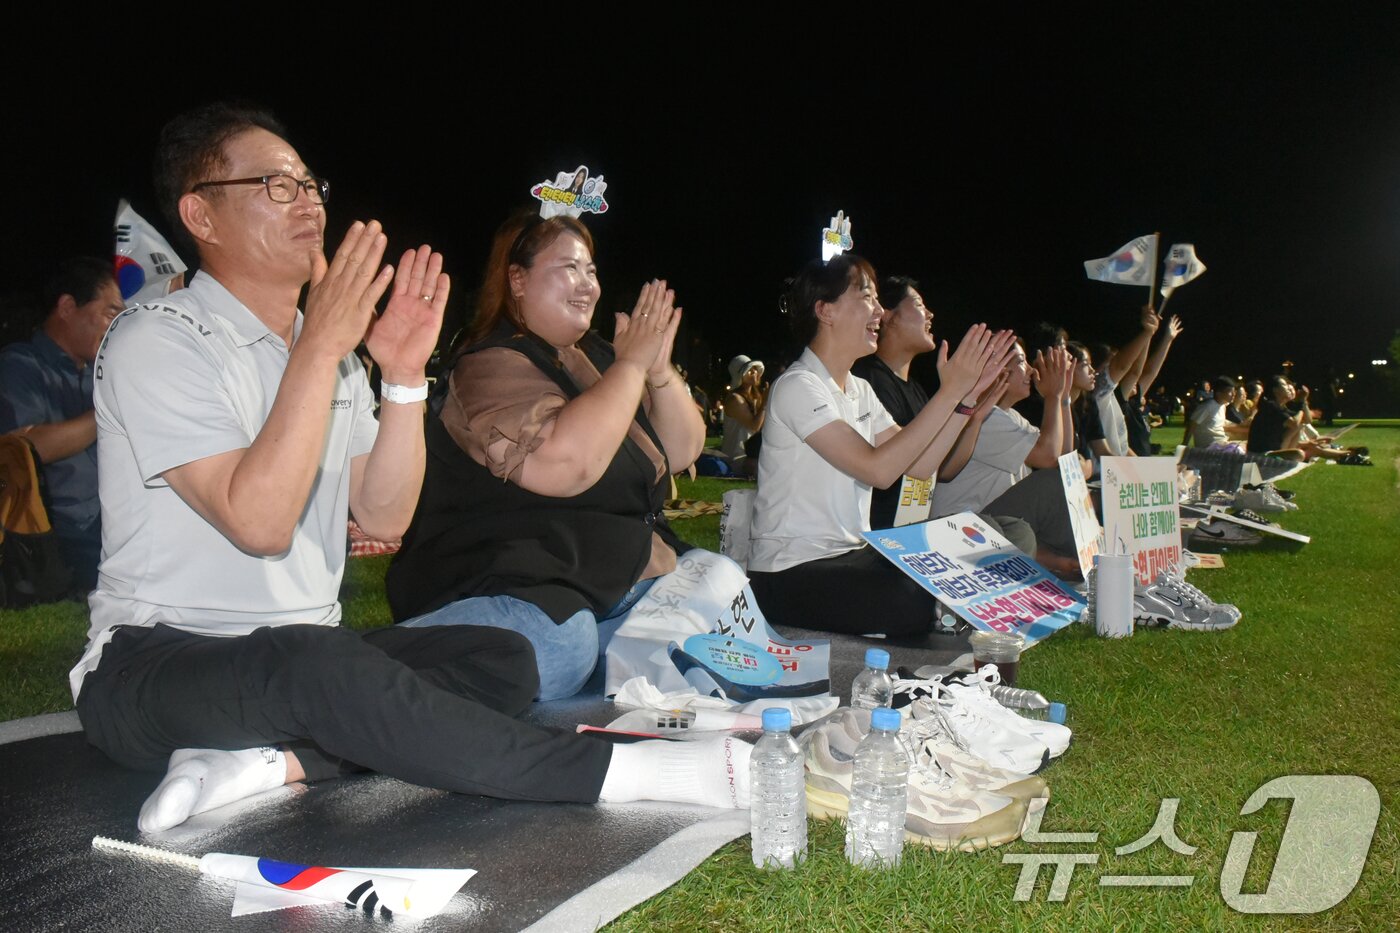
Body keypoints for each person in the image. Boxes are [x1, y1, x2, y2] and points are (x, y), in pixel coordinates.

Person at [73, 103, 747, 835]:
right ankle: (620, 772)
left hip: (306, 655)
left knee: (501, 657)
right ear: (200, 215)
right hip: (157, 660)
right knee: (313, 665)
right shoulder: (158, 338)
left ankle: (269, 762)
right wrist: (320, 348)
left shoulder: (326, 349)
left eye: (309, 185)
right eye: (275, 185)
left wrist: (399, 376)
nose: (308, 203)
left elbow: (386, 513)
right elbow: (259, 523)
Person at [386, 211, 709, 700]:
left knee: (715, 582)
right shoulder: (488, 364)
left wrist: (658, 371)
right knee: (559, 646)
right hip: (508, 583)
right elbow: (564, 465)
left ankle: (597, 674)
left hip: (607, 578)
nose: (587, 285)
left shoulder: (598, 356)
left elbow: (682, 449)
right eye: (569, 268)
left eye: (592, 270)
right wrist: (631, 365)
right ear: (517, 280)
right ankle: (374, 664)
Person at [746, 254, 1013, 637]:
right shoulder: (798, 386)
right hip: (789, 571)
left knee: (983, 534)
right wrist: (949, 391)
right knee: (908, 597)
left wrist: (965, 400)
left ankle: (951, 604)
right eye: (867, 297)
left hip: (854, 555)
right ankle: (948, 606)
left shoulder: (860, 389)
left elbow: (920, 467)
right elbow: (878, 470)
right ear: (825, 310)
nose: (880, 311)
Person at [0, 258, 125, 590]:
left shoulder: (100, 372)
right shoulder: (21, 365)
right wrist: (110, 409)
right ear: (68, 307)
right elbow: (27, 448)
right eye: (111, 313)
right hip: (61, 530)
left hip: (111, 519)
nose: (117, 326)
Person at [720, 354, 765, 469]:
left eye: (754, 368)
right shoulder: (735, 399)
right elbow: (754, 426)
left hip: (752, 453)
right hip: (737, 456)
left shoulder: (755, 397)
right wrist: (765, 403)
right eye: (749, 370)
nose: (754, 372)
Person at [1185, 375, 1249, 449]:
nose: (1234, 395)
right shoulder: (1207, 406)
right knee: (1244, 448)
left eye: (1234, 391)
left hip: (1222, 442)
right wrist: (1184, 444)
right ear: (1219, 393)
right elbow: (1192, 425)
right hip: (1210, 446)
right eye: (1230, 392)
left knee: (1249, 444)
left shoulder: (1222, 405)